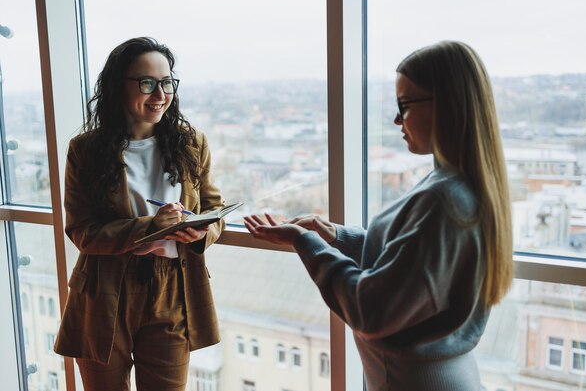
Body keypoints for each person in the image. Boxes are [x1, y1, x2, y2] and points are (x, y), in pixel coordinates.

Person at [244, 40, 513, 391]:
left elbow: (370, 310)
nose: (397, 119)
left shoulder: (444, 199)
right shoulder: (458, 185)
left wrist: (304, 241)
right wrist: (336, 236)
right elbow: (411, 265)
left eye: (404, 105)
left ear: (446, 104)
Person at [54, 37, 225, 391]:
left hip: (174, 286)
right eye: (147, 83)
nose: (160, 94)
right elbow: (82, 231)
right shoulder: (85, 150)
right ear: (119, 86)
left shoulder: (192, 143)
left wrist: (200, 233)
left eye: (166, 83)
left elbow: (214, 209)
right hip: (104, 288)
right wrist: (151, 226)